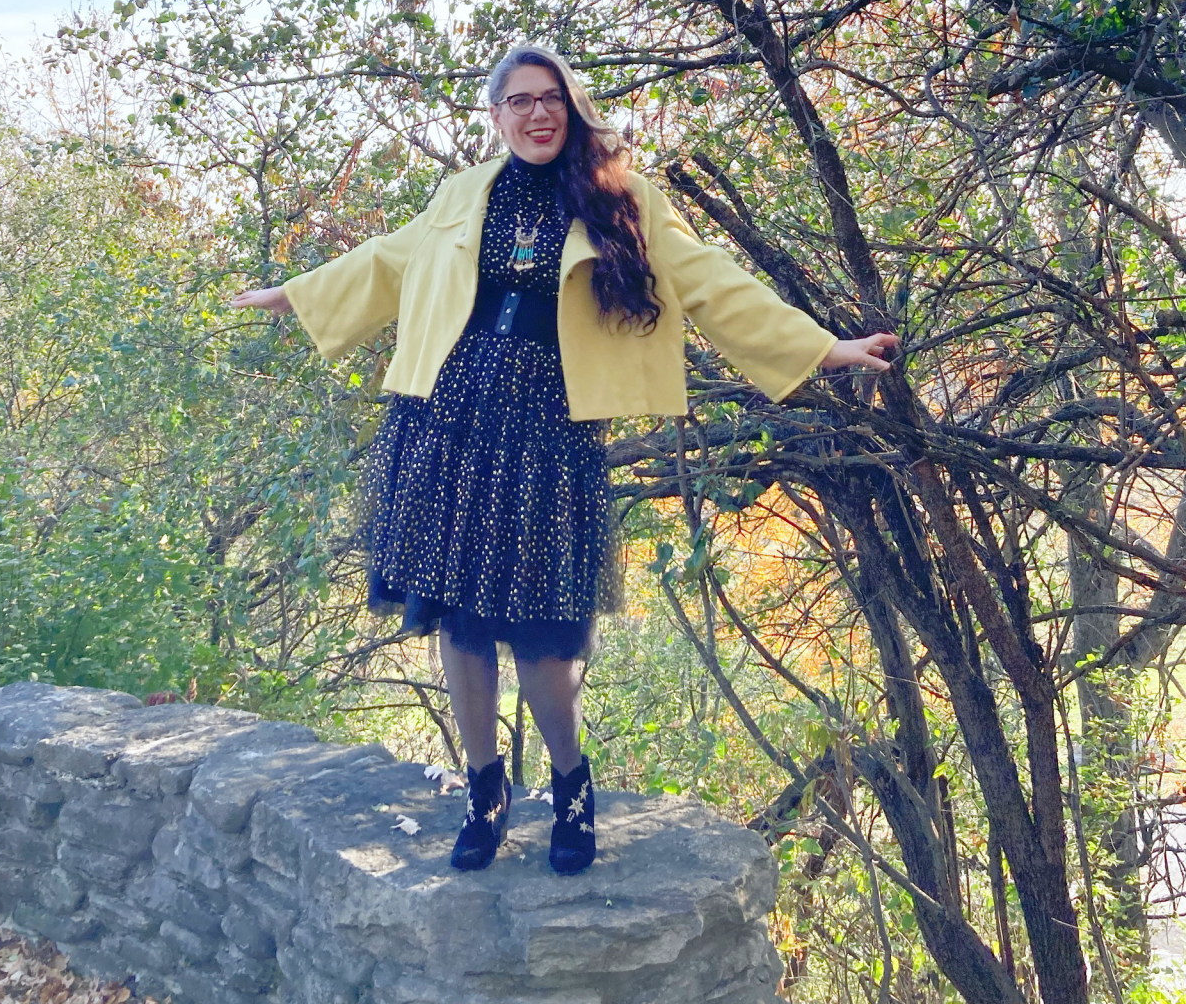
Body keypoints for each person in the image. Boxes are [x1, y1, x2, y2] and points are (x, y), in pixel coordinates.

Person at [232, 44, 897, 875]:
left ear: (571, 108)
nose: (537, 113)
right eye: (519, 101)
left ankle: (571, 783)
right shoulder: (461, 194)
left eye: (551, 98)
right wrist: (294, 294)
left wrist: (824, 348)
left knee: (545, 635)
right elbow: (389, 260)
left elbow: (710, 280)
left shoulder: (621, 197)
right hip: (446, 421)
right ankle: (484, 791)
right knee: (457, 618)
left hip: (550, 434)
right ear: (496, 115)